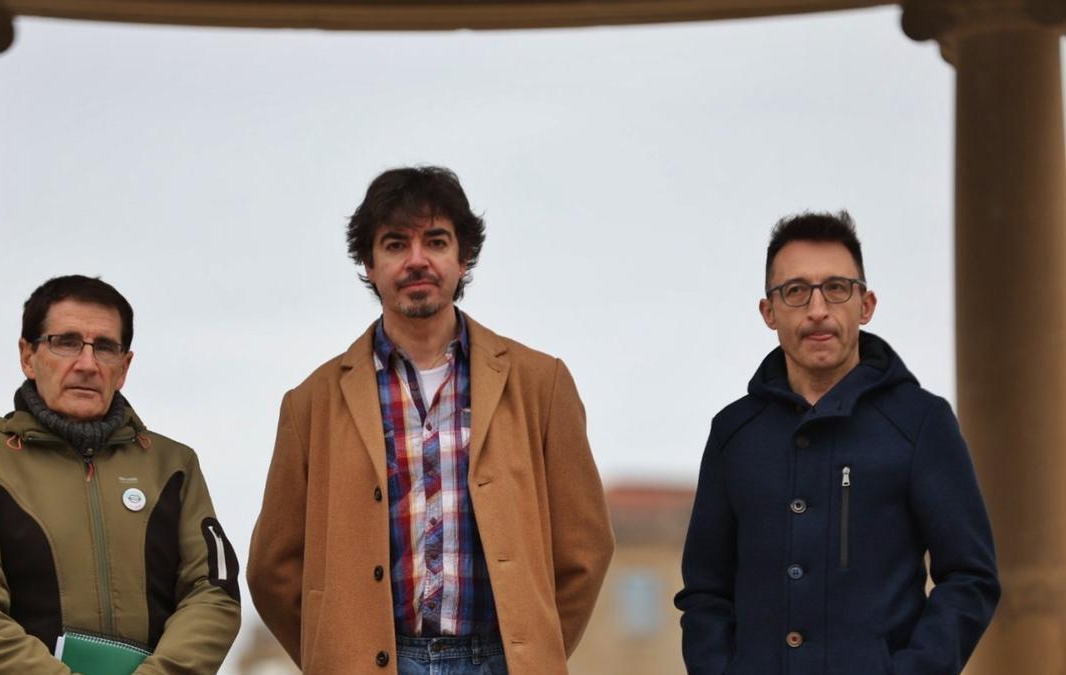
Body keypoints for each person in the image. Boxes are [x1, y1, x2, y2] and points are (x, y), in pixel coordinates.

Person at [247, 166, 614, 674]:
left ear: (463, 259)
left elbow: (585, 548)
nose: (417, 260)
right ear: (369, 264)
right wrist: (335, 655)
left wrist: (532, 652)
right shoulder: (311, 403)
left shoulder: (539, 383)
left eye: (436, 241)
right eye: (396, 244)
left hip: (499, 661)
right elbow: (273, 570)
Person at [674, 212, 1000, 675]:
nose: (818, 309)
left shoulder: (921, 423)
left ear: (865, 305)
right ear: (769, 312)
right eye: (795, 291)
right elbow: (706, 591)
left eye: (836, 288)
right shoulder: (733, 433)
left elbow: (970, 577)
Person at [0, 275, 240, 674]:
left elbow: (213, 592)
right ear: (28, 356)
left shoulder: (174, 465)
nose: (88, 364)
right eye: (67, 342)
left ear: (124, 367)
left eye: (106, 347)